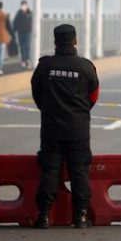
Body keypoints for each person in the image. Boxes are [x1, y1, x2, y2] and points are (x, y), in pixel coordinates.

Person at [31, 24, 99, 229]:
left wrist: (49, 110)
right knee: (79, 172)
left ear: (55, 42)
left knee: (50, 170)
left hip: (51, 128)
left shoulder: (44, 66)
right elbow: (93, 97)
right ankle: (81, 216)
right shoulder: (86, 67)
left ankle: (43, 215)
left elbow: (37, 94)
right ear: (75, 41)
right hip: (78, 129)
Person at [13, 0, 33, 68]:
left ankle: (27, 59)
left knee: (27, 46)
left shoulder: (30, 13)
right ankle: (23, 60)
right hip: (20, 32)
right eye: (22, 5)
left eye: (25, 5)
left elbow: (33, 21)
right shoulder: (18, 13)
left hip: (28, 32)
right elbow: (15, 22)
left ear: (27, 5)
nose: (23, 6)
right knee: (22, 47)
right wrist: (14, 31)